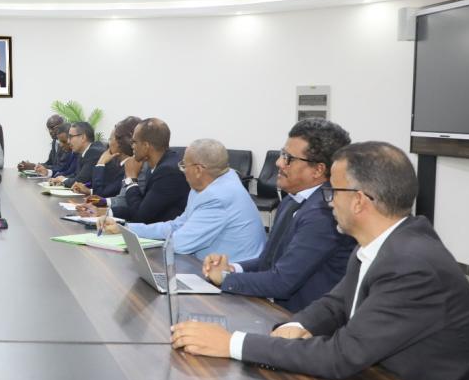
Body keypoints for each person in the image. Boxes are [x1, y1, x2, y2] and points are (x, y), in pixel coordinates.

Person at [172, 141, 469, 380]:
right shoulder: (382, 242)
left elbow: (342, 355)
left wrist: (232, 344)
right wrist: (297, 325)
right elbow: (336, 303)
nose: (328, 203)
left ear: (359, 201)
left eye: (333, 192)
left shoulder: (413, 266)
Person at [202, 119, 355, 312]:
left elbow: (282, 281)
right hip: (277, 311)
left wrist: (225, 279)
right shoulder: (292, 200)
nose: (279, 163)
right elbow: (268, 262)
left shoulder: (324, 213)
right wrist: (232, 269)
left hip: (304, 321)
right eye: (283, 154)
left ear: (318, 170)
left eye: (288, 158)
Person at [118, 139, 265, 261]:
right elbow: (178, 225)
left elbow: (179, 244)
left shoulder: (217, 197)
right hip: (205, 266)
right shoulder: (209, 183)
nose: (182, 171)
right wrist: (127, 229)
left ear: (198, 170)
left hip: (231, 278)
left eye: (183, 166)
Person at [80, 117, 188, 223]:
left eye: (135, 142)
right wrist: (103, 212)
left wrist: (131, 179)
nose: (132, 146)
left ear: (146, 146)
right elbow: (139, 206)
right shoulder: (157, 165)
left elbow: (141, 216)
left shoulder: (167, 172)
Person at [72, 116, 140, 197]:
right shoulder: (118, 164)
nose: (108, 144)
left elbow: (100, 194)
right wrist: (89, 191)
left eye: (110, 139)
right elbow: (107, 191)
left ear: (119, 143)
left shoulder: (130, 167)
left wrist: (100, 163)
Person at [49, 121, 104, 188]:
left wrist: (63, 180)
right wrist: (60, 179)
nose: (68, 141)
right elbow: (76, 175)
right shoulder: (82, 153)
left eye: (71, 137)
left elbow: (81, 181)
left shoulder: (94, 152)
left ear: (83, 137)